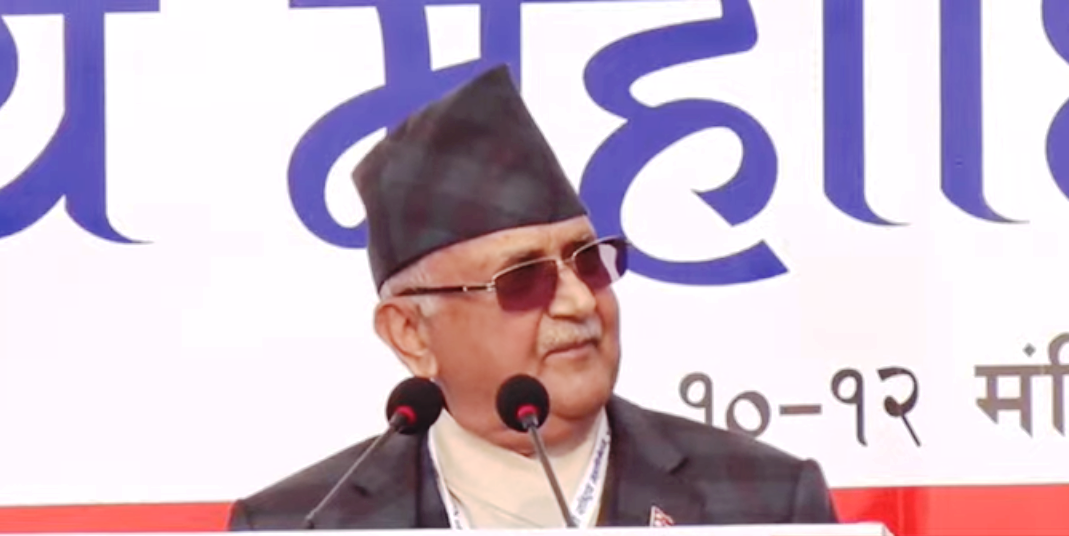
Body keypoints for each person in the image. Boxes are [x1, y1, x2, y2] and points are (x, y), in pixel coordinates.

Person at [228, 64, 838, 530]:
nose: (579, 303)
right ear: (411, 334)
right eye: (523, 279)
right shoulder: (302, 525)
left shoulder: (766, 504)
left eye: (589, 262)